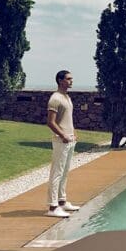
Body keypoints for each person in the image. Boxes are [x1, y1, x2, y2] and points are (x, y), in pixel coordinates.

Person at [46, 70, 80, 218]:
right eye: (68, 79)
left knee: (65, 172)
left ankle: (62, 201)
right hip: (61, 141)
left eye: (71, 78)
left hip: (70, 139)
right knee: (57, 173)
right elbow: (50, 122)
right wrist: (63, 135)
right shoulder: (55, 98)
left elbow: (68, 119)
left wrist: (73, 132)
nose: (71, 81)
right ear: (60, 81)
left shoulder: (67, 97)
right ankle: (52, 208)